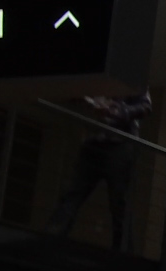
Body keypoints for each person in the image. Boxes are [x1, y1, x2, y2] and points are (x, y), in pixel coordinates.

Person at [45, 92, 153, 249]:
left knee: (120, 203)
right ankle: (50, 239)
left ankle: (122, 253)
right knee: (72, 193)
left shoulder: (135, 81)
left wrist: (118, 111)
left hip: (120, 144)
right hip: (93, 142)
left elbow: (145, 107)